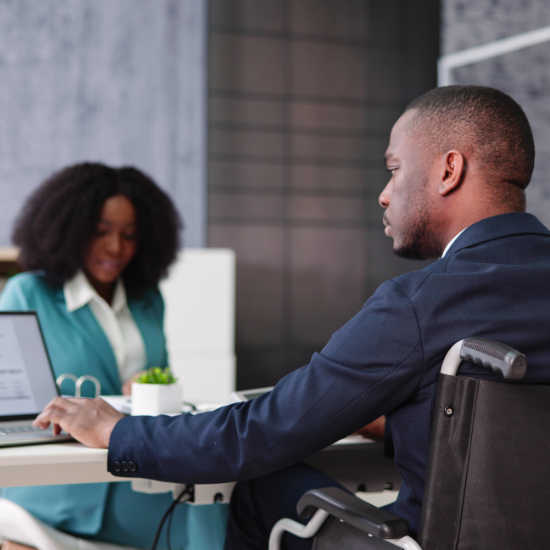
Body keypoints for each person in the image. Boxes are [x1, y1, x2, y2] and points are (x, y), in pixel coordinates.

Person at [33, 86, 550, 550]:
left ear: (448, 170)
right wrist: (401, 422)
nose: (384, 193)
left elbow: (260, 434)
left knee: (259, 486)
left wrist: (116, 430)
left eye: (394, 169)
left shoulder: (420, 303)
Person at [0, 163, 228, 550]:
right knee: (207, 514)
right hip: (67, 489)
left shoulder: (147, 300)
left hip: (138, 472)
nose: (115, 248)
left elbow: (165, 383)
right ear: (70, 229)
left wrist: (148, 387)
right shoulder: (29, 294)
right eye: (101, 231)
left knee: (220, 496)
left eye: (129, 234)